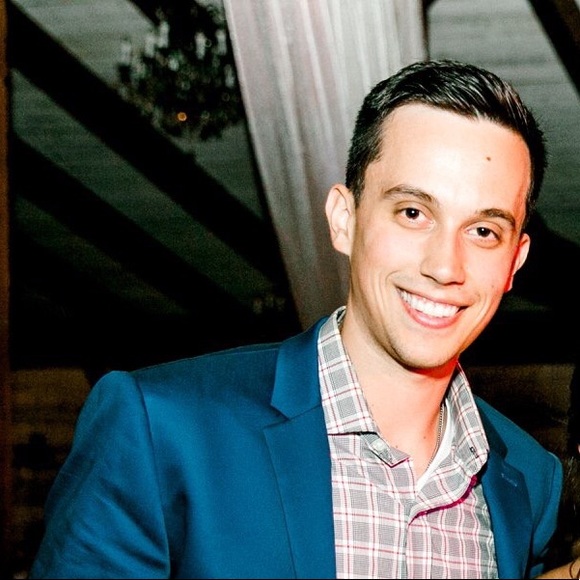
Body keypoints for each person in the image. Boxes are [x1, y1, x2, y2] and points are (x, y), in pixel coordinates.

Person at [29, 59, 562, 579]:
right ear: (344, 220)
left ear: (514, 262)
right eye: (413, 213)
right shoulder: (161, 427)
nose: (445, 266)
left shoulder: (530, 480)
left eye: (484, 231)